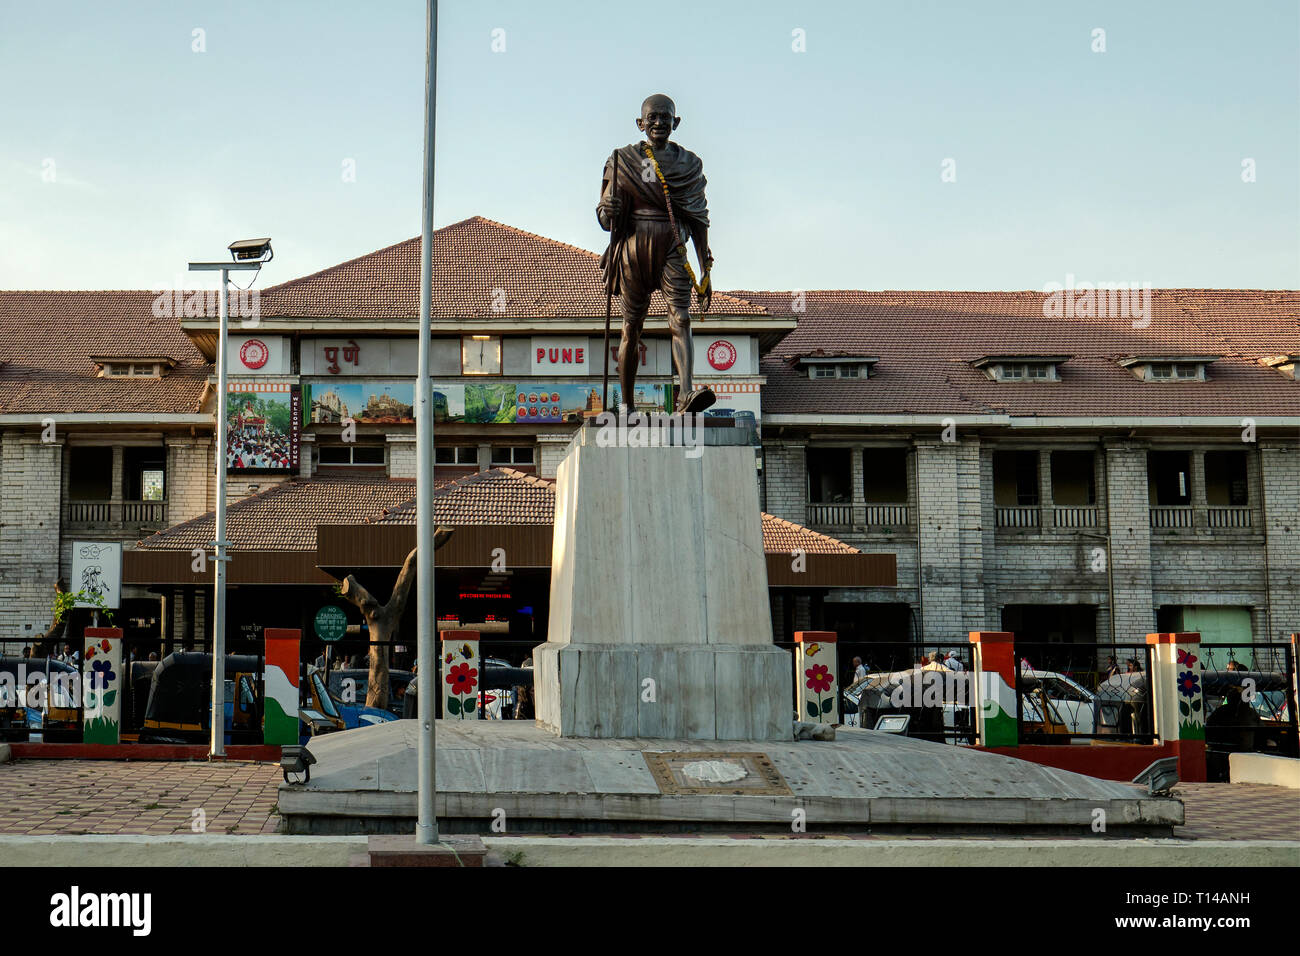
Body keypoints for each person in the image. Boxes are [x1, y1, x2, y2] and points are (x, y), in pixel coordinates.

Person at [598, 94, 715, 415]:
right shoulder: (622, 159)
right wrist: (609, 209)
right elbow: (606, 218)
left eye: (666, 117)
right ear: (640, 123)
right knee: (631, 327)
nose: (659, 122)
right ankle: (627, 405)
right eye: (653, 117)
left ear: (676, 123)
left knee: (682, 317)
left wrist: (705, 267)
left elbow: (699, 217)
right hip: (634, 246)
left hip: (673, 245)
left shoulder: (689, 164)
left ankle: (686, 393)